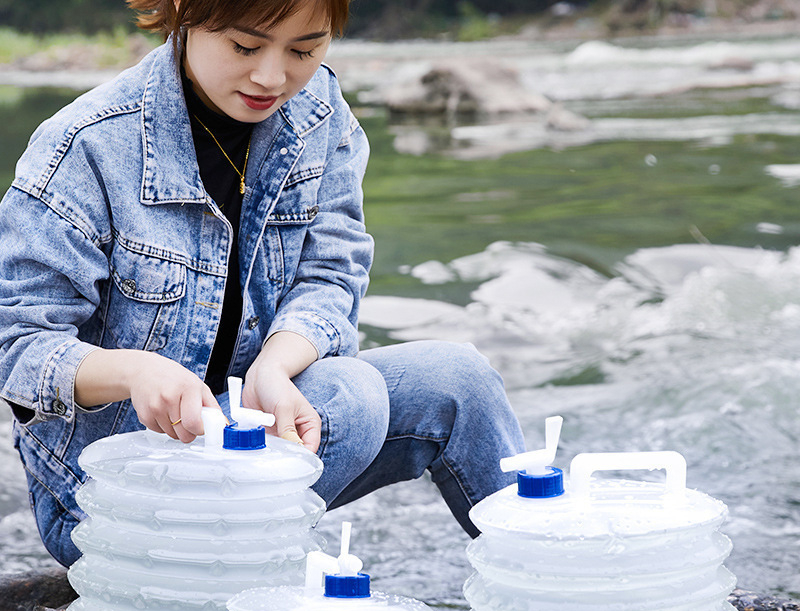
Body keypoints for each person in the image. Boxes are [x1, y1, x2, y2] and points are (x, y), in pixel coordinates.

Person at [0, 0, 525, 568]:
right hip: (108, 494)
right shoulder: (86, 146)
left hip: (248, 437)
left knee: (459, 380)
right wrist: (136, 372)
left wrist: (273, 368)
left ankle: (550, 593)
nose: (272, 77)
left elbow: (331, 272)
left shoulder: (317, 111)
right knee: (354, 395)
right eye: (245, 47)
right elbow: (17, 345)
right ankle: (219, 593)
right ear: (184, 11)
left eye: (304, 49)